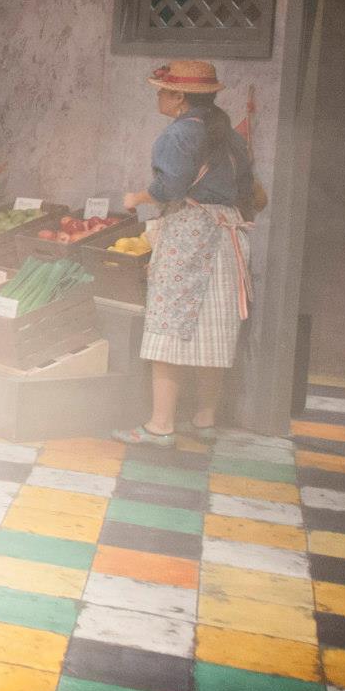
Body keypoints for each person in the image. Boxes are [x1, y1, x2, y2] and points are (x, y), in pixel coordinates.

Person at [112, 60, 257, 447]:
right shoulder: (230, 136)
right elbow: (248, 189)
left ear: (179, 97)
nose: (158, 96)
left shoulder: (179, 133)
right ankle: (204, 420)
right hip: (227, 235)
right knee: (215, 328)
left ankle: (160, 425)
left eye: (162, 90)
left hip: (191, 233)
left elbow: (169, 187)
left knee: (168, 325)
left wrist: (135, 198)